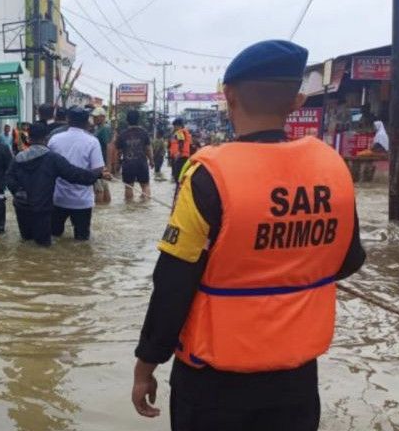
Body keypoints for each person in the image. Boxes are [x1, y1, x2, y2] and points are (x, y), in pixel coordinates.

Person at [131, 40, 366, 431]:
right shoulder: (332, 168)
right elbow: (349, 259)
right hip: (296, 380)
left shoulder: (207, 175)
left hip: (213, 382)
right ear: (297, 101)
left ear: (228, 96)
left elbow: (173, 283)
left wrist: (146, 365)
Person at [6, 123, 107, 247]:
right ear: (46, 139)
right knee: (43, 247)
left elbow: (8, 178)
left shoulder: (18, 158)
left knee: (26, 243)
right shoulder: (52, 158)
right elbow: (74, 174)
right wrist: (97, 175)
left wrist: (18, 191)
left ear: (28, 139)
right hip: (42, 207)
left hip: (21, 207)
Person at [47, 106, 105, 241]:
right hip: (82, 201)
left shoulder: (55, 139)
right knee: (82, 242)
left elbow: (47, 165)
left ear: (68, 119)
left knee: (53, 238)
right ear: (86, 122)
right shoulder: (92, 141)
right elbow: (98, 170)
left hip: (57, 198)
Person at [114, 110, 153, 201]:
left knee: (128, 187)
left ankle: (129, 209)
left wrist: (117, 164)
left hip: (128, 164)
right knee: (145, 185)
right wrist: (151, 160)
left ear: (127, 120)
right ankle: (146, 207)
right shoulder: (144, 132)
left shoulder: (122, 134)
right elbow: (148, 148)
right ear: (138, 120)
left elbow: (118, 152)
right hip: (141, 163)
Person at [92, 107, 113, 204]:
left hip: (100, 164)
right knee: (104, 187)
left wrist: (108, 165)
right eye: (94, 117)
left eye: (96, 117)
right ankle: (105, 209)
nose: (94, 119)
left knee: (98, 189)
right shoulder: (99, 129)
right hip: (101, 163)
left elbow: (109, 146)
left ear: (103, 117)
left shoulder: (104, 129)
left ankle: (99, 211)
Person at [170, 118, 192, 183]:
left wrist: (179, 153)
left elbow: (181, 141)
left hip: (180, 157)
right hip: (184, 156)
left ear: (179, 125)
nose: (174, 127)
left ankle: (178, 191)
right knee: (181, 175)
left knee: (178, 176)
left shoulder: (180, 132)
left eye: (174, 126)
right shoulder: (185, 132)